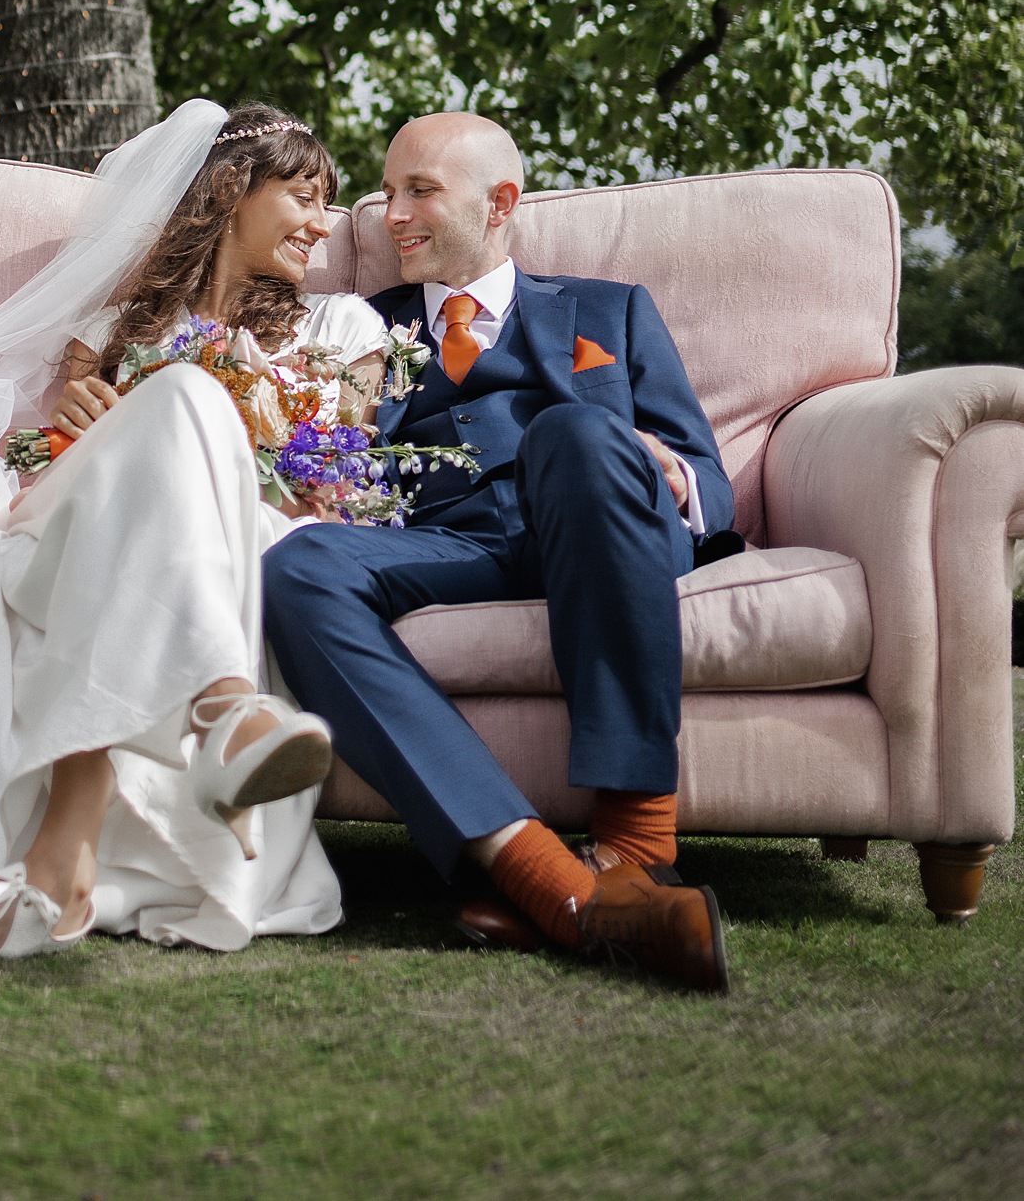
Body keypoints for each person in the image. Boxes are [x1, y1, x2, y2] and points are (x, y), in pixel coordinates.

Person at [0, 102, 389, 959]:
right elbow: (47, 484)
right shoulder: (108, 333)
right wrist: (78, 427)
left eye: (328, 206)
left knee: (188, 403)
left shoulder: (342, 329)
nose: (322, 229)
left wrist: (263, 438)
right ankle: (220, 713)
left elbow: (339, 491)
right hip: (98, 533)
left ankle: (70, 847)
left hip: (246, 533)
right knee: (179, 402)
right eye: (303, 196)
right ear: (230, 190)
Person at [261, 111, 736, 993]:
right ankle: (553, 884)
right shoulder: (363, 326)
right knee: (295, 569)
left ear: (499, 203)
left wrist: (661, 469)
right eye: (388, 189)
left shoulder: (608, 310)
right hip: (446, 546)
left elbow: (710, 478)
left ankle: (638, 845)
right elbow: (326, 453)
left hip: (601, 534)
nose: (388, 214)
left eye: (419, 192)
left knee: (579, 435)